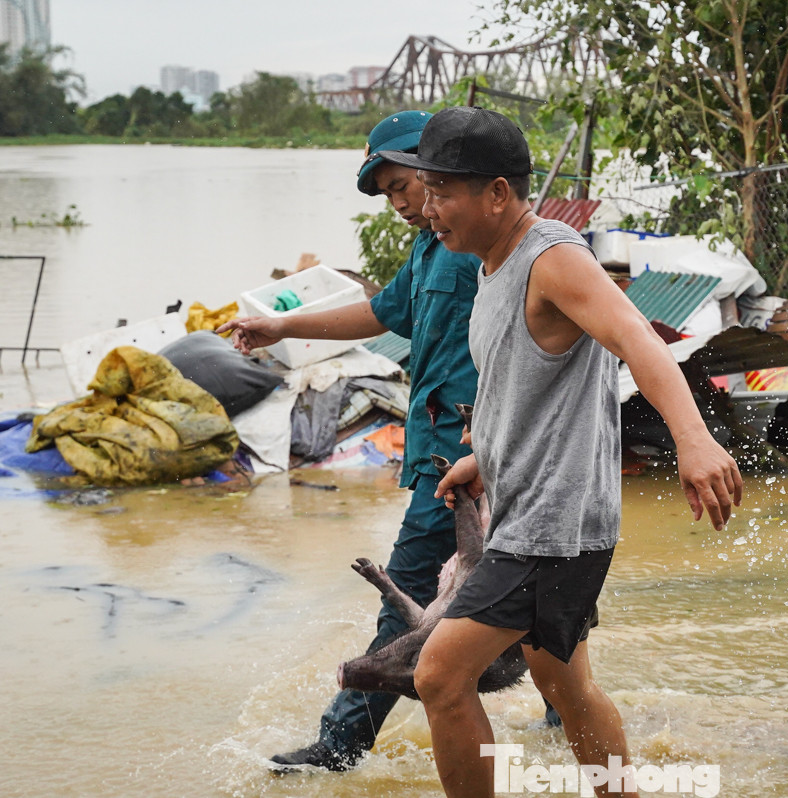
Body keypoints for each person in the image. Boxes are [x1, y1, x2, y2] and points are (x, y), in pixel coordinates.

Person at [394, 106, 743, 798]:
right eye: (425, 190)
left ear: (497, 193)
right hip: (535, 514)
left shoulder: (552, 260)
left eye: (443, 192)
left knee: (438, 676)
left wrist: (693, 437)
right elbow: (523, 387)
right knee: (567, 684)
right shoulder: (494, 264)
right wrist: (483, 459)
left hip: (551, 529)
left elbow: (636, 338)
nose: (429, 209)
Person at [217, 110, 485, 771]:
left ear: (434, 170)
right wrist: (285, 328)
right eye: (389, 193)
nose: (397, 204)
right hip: (442, 450)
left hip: (464, 453)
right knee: (519, 590)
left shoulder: (477, 244)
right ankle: (570, 726)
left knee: (410, 594)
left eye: (400, 186)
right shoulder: (429, 246)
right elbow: (380, 312)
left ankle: (340, 744)